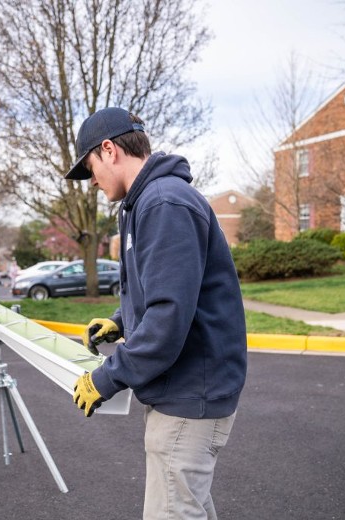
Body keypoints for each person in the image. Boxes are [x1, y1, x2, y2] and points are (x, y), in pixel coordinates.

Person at [67, 107, 247, 519]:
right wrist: (121, 320)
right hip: (185, 391)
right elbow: (162, 290)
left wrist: (107, 377)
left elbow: (168, 317)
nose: (91, 181)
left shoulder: (163, 203)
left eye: (90, 167)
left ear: (109, 150)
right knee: (189, 508)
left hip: (189, 397)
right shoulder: (142, 203)